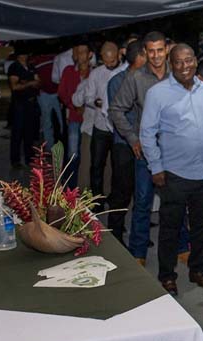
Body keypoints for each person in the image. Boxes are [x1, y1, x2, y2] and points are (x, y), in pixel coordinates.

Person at [141, 44, 203, 295]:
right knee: (170, 229)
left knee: (201, 228)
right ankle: (167, 275)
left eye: (189, 60)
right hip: (173, 174)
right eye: (178, 62)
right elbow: (147, 133)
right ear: (171, 65)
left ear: (196, 60)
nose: (185, 66)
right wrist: (156, 167)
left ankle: (197, 269)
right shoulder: (157, 93)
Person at [109, 36, 162, 266]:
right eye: (151, 51)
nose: (156, 55)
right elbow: (116, 109)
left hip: (172, 151)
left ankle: (180, 248)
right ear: (145, 53)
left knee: (175, 202)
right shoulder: (133, 78)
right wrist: (133, 138)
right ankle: (136, 251)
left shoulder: (176, 75)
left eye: (160, 50)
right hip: (142, 149)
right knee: (140, 200)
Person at [105, 41, 146, 246]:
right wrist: (133, 138)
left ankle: (140, 236)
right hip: (124, 145)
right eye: (146, 54)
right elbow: (117, 115)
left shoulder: (148, 79)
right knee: (121, 193)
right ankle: (115, 236)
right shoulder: (117, 82)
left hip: (144, 145)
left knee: (141, 193)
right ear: (138, 57)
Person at [73, 41, 124, 201]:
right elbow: (87, 97)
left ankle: (113, 196)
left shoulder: (125, 72)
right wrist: (96, 102)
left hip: (119, 128)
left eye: (113, 61)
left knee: (117, 166)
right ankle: (96, 199)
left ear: (118, 56)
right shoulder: (96, 73)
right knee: (96, 165)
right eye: (106, 61)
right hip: (100, 126)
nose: (109, 64)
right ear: (101, 57)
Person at [57, 40, 93, 189]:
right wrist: (74, 106)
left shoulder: (95, 72)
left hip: (91, 120)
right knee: (73, 154)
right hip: (74, 117)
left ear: (90, 54)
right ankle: (69, 188)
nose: (80, 55)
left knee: (87, 155)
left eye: (83, 51)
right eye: (77, 52)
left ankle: (84, 186)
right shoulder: (69, 71)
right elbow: (62, 93)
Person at [7, 45, 40, 168]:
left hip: (31, 102)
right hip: (19, 104)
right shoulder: (14, 67)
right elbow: (14, 87)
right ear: (20, 55)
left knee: (29, 132)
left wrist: (25, 83)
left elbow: (38, 82)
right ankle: (15, 160)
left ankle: (29, 158)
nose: (26, 56)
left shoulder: (31, 66)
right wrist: (30, 83)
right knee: (17, 132)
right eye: (24, 54)